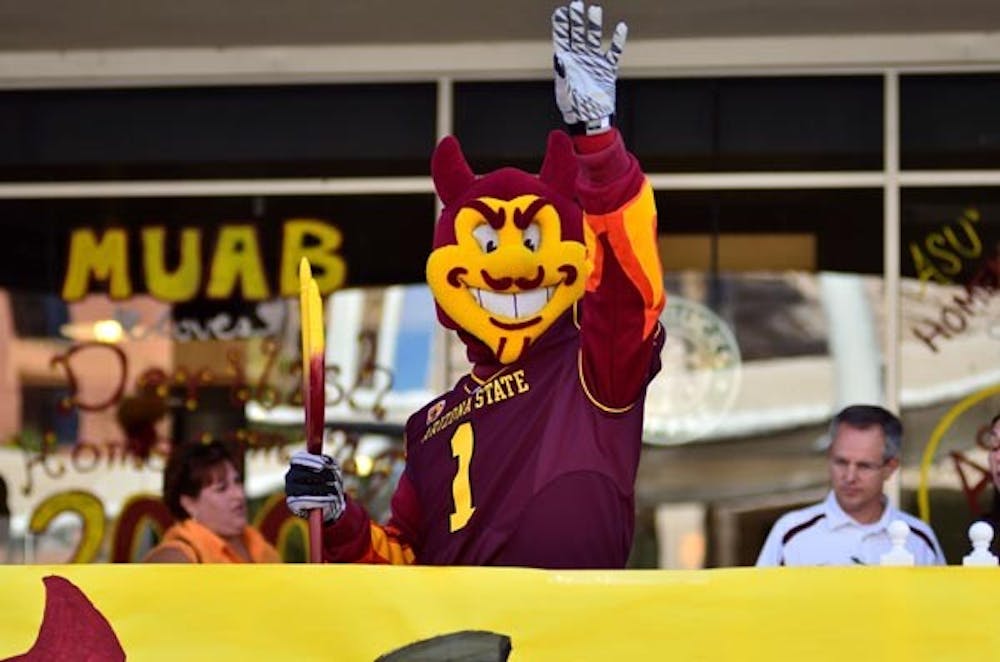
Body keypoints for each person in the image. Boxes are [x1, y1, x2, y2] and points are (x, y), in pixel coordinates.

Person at [285, 1, 665, 569]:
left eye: (533, 241)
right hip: (466, 646)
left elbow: (628, 288)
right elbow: (404, 563)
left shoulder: (590, 369)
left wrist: (597, 143)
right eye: (488, 245)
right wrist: (341, 521)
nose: (513, 268)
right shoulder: (428, 425)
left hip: (574, 638)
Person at [757, 404, 945, 566]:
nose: (849, 476)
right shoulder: (791, 534)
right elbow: (760, 604)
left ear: (890, 468)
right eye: (841, 462)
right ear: (829, 456)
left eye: (864, 466)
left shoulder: (918, 540)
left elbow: (938, 607)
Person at [144, 440, 280, 563]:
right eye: (221, 489)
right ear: (189, 504)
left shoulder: (255, 542)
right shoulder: (181, 553)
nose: (238, 495)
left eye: (237, 482)